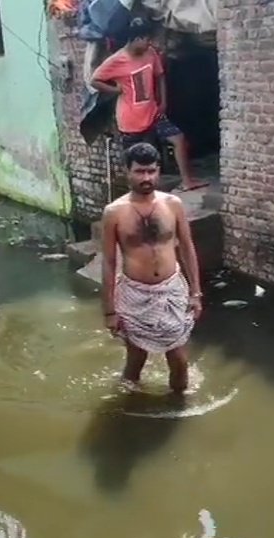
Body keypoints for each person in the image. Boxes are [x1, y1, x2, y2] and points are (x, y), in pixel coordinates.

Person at [101, 142, 203, 394]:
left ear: (158, 170)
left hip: (171, 291)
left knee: (179, 360)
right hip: (135, 294)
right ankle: (127, 407)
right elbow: (109, 262)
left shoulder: (173, 204)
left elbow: (187, 248)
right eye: (139, 171)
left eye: (151, 171)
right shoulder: (114, 212)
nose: (146, 177)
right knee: (136, 359)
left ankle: (178, 408)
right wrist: (109, 311)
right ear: (127, 171)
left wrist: (196, 293)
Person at [91, 17, 204, 191]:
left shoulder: (150, 53)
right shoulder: (117, 60)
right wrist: (115, 90)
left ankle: (187, 181)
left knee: (178, 139)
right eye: (146, 40)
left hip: (153, 113)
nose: (149, 43)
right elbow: (95, 80)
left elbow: (160, 77)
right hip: (131, 121)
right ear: (136, 39)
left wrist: (163, 101)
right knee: (136, 159)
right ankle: (137, 194)